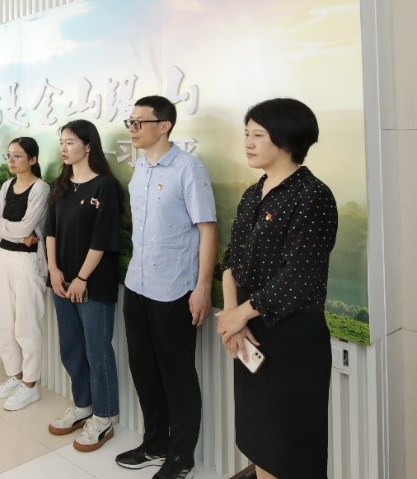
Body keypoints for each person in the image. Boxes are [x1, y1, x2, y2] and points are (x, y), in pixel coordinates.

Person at [216, 98, 338, 479]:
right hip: (249, 332)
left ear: (286, 140)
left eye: (258, 135)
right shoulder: (253, 193)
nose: (248, 143)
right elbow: (231, 260)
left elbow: (299, 277)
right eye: (246, 134)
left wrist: (239, 315)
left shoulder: (313, 196)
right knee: (259, 439)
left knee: (289, 447)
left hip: (291, 342)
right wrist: (231, 315)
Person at [118, 95, 217, 479]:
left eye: (139, 122)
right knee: (143, 369)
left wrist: (202, 287)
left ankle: (181, 457)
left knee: (177, 375)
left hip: (175, 289)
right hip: (138, 283)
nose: (132, 129)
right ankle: (155, 443)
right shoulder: (140, 167)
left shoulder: (188, 168)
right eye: (130, 122)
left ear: (164, 126)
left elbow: (207, 229)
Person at [45, 120, 123, 451]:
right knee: (71, 347)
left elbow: (103, 238)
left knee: (97, 349)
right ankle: (83, 405)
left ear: (88, 146)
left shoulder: (105, 186)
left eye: (71, 142)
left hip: (94, 283)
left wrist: (81, 278)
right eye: (62, 142)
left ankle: (104, 417)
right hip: (61, 282)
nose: (64, 148)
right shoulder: (60, 185)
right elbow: (50, 231)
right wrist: (53, 270)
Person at [0, 136, 50, 411]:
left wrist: (2, 226)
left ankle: (30, 384)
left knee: (27, 324)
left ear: (32, 160)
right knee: (1, 319)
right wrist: (6, 228)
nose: (11, 160)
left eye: (17, 156)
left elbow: (26, 227)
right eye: (9, 155)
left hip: (28, 261)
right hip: (4, 257)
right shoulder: (6, 185)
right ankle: (15, 375)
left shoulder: (41, 188)